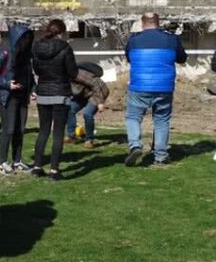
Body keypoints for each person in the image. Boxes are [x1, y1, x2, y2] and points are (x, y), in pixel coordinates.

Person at [124, 12, 187, 166]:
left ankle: (135, 145)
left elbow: (128, 58)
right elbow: (182, 58)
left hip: (139, 85)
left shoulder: (133, 40)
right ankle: (160, 155)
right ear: (158, 22)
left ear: (143, 22)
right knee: (161, 120)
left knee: (133, 117)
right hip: (164, 86)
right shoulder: (172, 39)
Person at [31, 19, 78, 181]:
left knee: (43, 130)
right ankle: (54, 170)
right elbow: (72, 72)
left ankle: (37, 167)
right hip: (60, 92)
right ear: (61, 32)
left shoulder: (36, 47)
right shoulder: (65, 47)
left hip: (43, 91)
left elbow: (36, 69)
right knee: (58, 133)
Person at [0, 23, 35, 175]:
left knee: (20, 130)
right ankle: (3, 162)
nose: (26, 41)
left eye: (28, 38)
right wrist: (7, 84)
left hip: (22, 96)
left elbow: (29, 76)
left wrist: (32, 89)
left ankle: (17, 160)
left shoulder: (26, 56)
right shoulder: (5, 53)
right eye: (24, 38)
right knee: (9, 129)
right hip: (8, 96)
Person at [64, 63, 110, 149]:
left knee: (87, 114)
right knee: (69, 109)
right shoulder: (61, 77)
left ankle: (89, 140)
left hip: (98, 92)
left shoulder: (78, 74)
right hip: (83, 94)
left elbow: (95, 84)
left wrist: (100, 102)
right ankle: (71, 136)